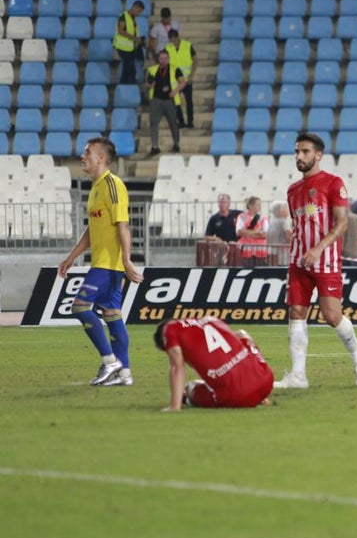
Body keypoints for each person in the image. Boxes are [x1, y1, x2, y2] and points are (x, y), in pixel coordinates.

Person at [277, 132, 357, 389]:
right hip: (298, 262)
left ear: (318, 154)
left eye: (305, 151)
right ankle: (298, 376)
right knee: (296, 313)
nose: (299, 156)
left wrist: (318, 248)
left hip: (326, 259)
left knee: (331, 315)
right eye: (297, 152)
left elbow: (342, 223)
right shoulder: (293, 190)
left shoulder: (333, 183)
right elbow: (299, 225)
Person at [57, 137, 144, 387]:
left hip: (109, 264)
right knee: (111, 314)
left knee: (80, 307)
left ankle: (110, 361)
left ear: (101, 159)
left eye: (88, 152)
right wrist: (71, 257)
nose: (83, 156)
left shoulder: (112, 185)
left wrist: (126, 260)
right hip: (104, 262)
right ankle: (124, 373)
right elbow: (92, 230)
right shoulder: (95, 187)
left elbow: (123, 224)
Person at [155, 318, 274, 411]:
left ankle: (184, 400)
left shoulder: (169, 329)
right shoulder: (209, 319)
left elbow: (176, 368)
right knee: (242, 335)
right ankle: (260, 396)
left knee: (190, 387)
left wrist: (174, 407)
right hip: (265, 382)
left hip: (235, 394)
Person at [146, 49, 185, 155]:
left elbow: (182, 83)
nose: (163, 60)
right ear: (158, 59)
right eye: (161, 58)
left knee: (173, 123)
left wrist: (175, 91)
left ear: (168, 59)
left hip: (169, 100)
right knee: (154, 123)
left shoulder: (175, 69)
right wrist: (150, 86)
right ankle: (155, 146)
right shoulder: (152, 69)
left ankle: (176, 143)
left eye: (165, 58)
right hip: (156, 100)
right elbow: (147, 85)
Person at [113, 0, 146, 86]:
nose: (139, 14)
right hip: (123, 48)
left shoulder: (133, 18)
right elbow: (120, 30)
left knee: (130, 71)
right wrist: (135, 38)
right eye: (138, 11)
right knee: (128, 70)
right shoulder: (123, 16)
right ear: (135, 7)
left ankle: (127, 87)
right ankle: (124, 87)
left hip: (130, 48)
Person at [234, 195, 269, 265]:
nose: (260, 207)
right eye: (258, 205)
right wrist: (257, 232)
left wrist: (246, 233)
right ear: (250, 205)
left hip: (260, 251)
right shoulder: (242, 216)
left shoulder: (263, 218)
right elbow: (239, 232)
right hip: (246, 251)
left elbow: (265, 234)